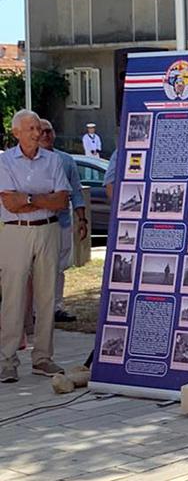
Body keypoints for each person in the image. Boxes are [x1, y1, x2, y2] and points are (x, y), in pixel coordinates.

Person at [0, 110, 71, 383]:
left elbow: (61, 200)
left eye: (39, 128)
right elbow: (9, 202)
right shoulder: (5, 161)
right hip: (16, 233)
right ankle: (7, 360)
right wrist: (43, 198)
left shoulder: (53, 160)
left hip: (48, 229)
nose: (37, 133)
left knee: (46, 296)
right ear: (16, 132)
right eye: (30, 128)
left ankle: (42, 357)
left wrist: (28, 198)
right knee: (13, 296)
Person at [38, 119, 88, 323]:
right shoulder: (29, 161)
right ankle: (35, 310)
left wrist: (82, 219)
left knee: (59, 267)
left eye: (49, 131)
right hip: (37, 225)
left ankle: (56, 307)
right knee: (37, 269)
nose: (45, 135)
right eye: (41, 131)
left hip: (62, 223)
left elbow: (76, 191)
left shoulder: (66, 160)